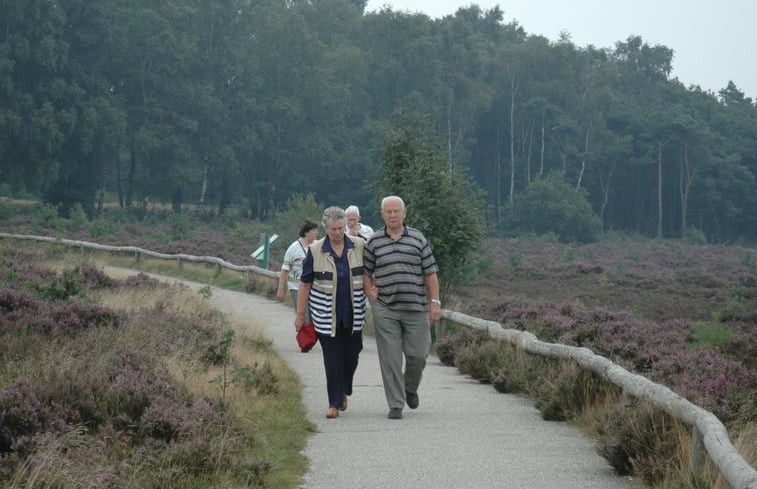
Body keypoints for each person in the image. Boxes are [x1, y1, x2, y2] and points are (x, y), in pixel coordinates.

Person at [363, 195, 441, 419]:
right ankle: (396, 404)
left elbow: (431, 273)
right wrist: (371, 293)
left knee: (418, 355)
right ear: (382, 215)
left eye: (396, 211)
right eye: (388, 212)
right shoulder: (374, 241)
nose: (393, 215)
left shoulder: (418, 239)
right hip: (386, 308)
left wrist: (434, 302)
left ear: (404, 213)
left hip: (416, 307)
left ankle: (410, 388)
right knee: (391, 358)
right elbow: (365, 272)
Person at [295, 207, 367, 419]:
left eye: (341, 228)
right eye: (333, 229)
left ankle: (344, 388)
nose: (337, 232)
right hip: (326, 316)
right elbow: (305, 284)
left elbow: (370, 274)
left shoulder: (360, 246)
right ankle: (334, 403)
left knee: (352, 356)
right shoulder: (315, 251)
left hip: (353, 315)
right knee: (332, 360)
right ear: (325, 228)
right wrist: (300, 315)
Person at [277, 219, 319, 322]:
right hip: (297, 287)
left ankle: (312, 337)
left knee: (315, 318)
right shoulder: (293, 248)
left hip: (314, 288)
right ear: (306, 232)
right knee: (304, 317)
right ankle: (305, 337)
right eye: (314, 230)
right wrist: (281, 290)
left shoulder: (318, 246)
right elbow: (284, 271)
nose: (317, 232)